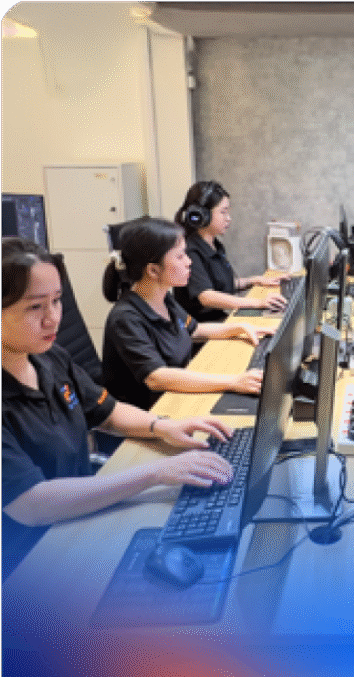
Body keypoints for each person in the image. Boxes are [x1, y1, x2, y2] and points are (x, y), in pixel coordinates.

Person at [2, 237, 235, 577]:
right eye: (35, 307)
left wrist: (163, 426)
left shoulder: (49, 358)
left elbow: (108, 412)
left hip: (78, 519)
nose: (53, 318)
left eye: (57, 301)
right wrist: (155, 473)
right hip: (29, 560)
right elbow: (30, 504)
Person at [102, 217, 275, 410]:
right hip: (152, 411)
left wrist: (240, 328)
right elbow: (157, 378)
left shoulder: (163, 297)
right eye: (180, 256)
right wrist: (233, 382)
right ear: (153, 270)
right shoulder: (125, 318)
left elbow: (194, 329)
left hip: (175, 397)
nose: (189, 262)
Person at [174, 180, 288, 322]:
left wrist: (255, 280)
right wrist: (258, 303)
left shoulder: (214, 245)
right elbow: (206, 297)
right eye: (223, 212)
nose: (229, 218)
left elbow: (221, 285)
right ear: (203, 215)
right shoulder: (190, 250)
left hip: (217, 320)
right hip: (201, 327)